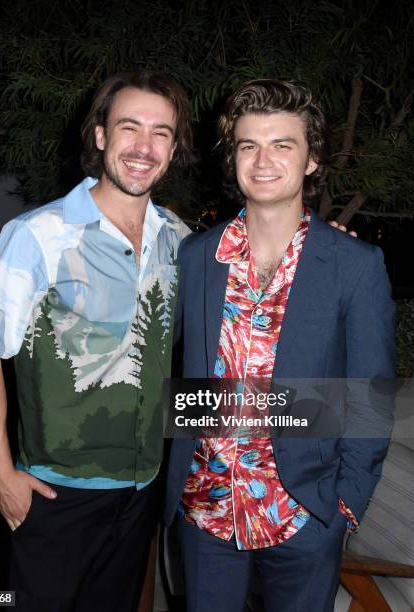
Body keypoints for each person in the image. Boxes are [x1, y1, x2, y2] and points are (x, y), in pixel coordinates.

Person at [0, 70, 193, 611]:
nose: (143, 146)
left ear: (174, 147)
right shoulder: (38, 235)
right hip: (54, 493)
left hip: (140, 490)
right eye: (129, 127)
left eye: (161, 132)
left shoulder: (177, 240)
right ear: (100, 135)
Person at [165, 79, 395, 612]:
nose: (263, 160)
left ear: (311, 159)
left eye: (282, 144)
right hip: (205, 510)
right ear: (233, 159)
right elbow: (167, 368)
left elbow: (371, 396)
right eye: (249, 145)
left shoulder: (353, 266)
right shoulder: (195, 257)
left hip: (304, 513)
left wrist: (344, 506)